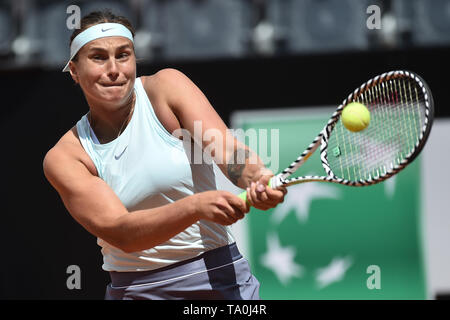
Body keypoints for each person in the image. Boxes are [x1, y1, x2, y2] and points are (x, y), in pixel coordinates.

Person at [43, 10, 286, 300]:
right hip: (135, 292)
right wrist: (194, 207)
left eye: (123, 55)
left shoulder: (168, 87)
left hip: (219, 280)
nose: (114, 69)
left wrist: (256, 177)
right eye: (98, 57)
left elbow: (228, 150)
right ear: (74, 70)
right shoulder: (66, 156)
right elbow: (123, 234)